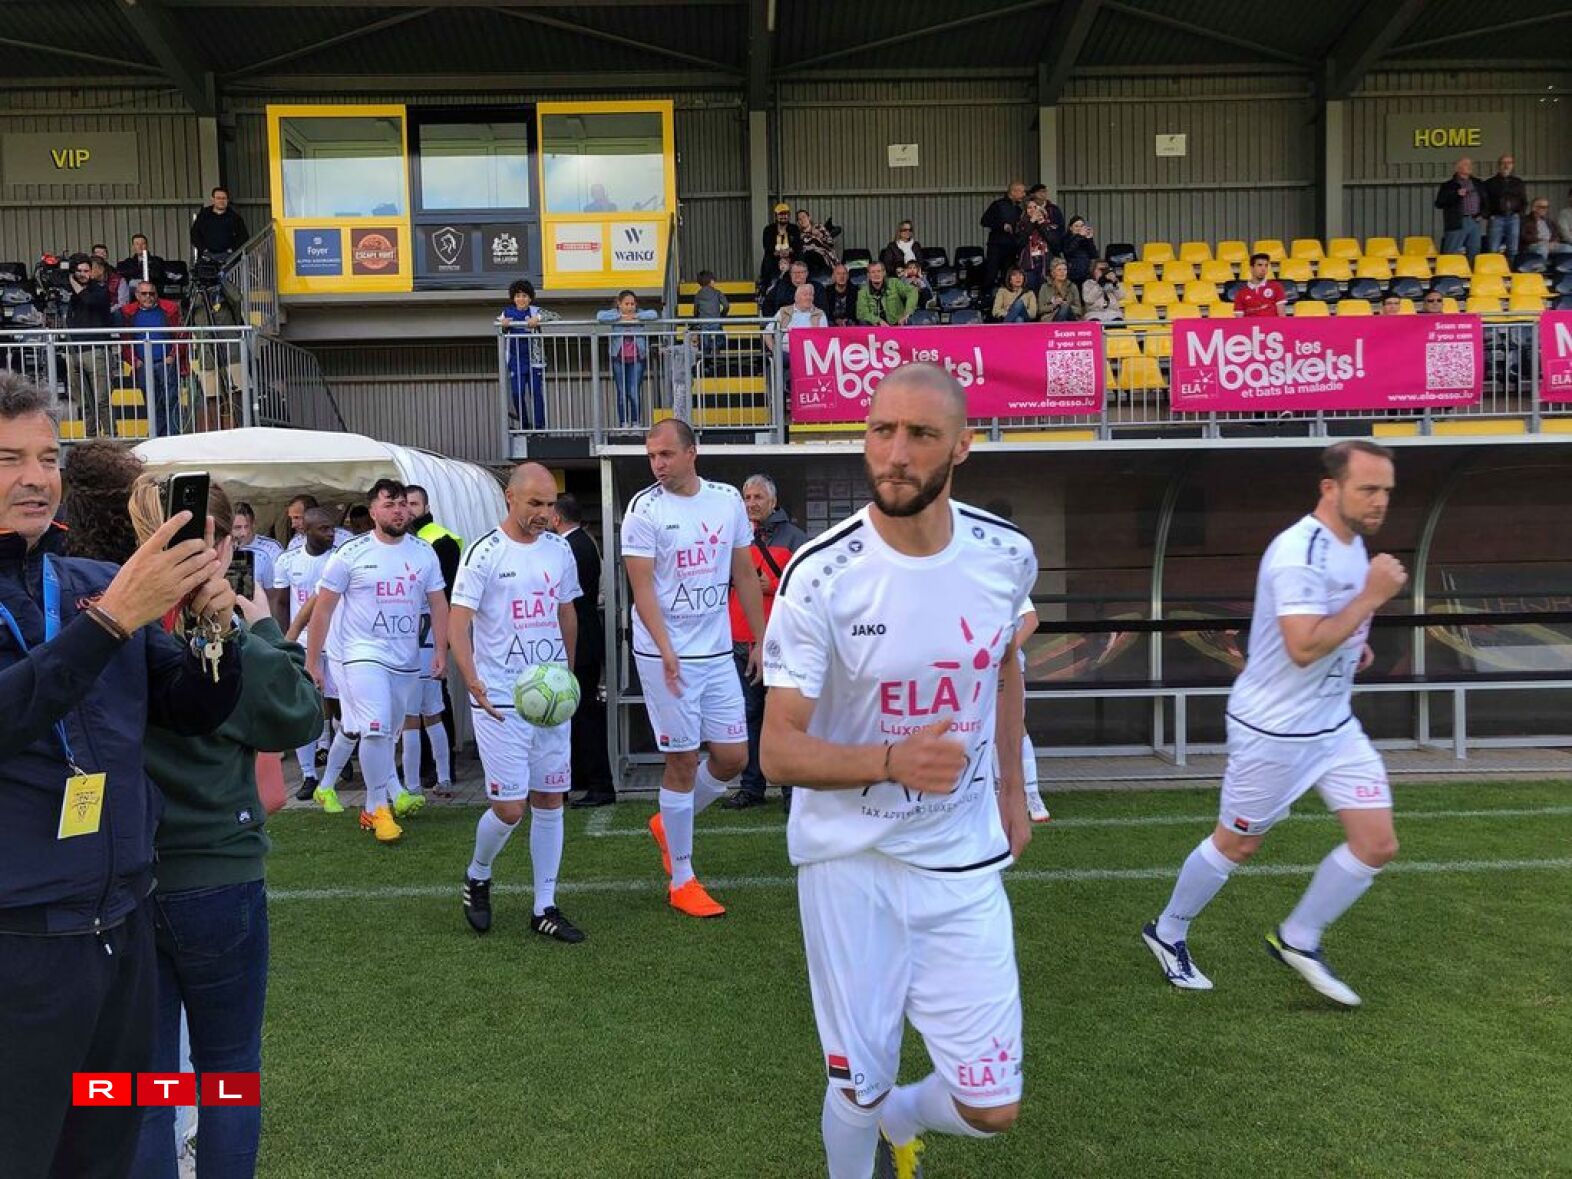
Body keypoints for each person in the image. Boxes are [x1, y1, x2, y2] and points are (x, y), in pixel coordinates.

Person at [759, 362, 1037, 1179]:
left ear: (962, 445)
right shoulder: (821, 573)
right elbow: (778, 749)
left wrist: (1015, 791)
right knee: (855, 1082)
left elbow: (1005, 666)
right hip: (851, 862)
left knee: (993, 1107)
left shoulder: (1004, 555)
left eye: (921, 434)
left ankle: (898, 1124)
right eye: (882, 431)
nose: (897, 453)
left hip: (960, 860)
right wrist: (890, 760)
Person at [0, 371, 242, 1179]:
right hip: (20, 948)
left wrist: (213, 626)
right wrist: (111, 621)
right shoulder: (107, 601)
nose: (35, 477)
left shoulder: (85, 582)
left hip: (121, 930)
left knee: (104, 1150)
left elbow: (191, 707)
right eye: (8, 458)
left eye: (47, 455)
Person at [1142, 440, 1406, 1008]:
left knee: (1377, 843)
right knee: (1238, 844)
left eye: (1386, 490)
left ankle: (1298, 938)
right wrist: (1372, 598)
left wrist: (1354, 644)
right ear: (1330, 489)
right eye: (1368, 489)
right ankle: (1167, 931)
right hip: (1274, 731)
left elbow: (1329, 632)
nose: (1380, 501)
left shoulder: (1355, 544)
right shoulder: (1298, 552)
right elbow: (1304, 645)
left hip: (1334, 727)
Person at [124, 475, 321, 1179]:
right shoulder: (221, 630)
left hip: (132, 879)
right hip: (218, 876)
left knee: (146, 1082)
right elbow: (299, 714)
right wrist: (264, 625)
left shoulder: (108, 623)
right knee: (229, 1070)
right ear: (210, 541)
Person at [620, 419, 766, 918]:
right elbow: (641, 591)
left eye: (665, 455)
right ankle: (682, 878)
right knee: (682, 759)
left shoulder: (726, 500)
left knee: (733, 758)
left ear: (691, 453)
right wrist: (665, 648)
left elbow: (744, 571)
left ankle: (667, 821)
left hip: (716, 650)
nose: (657, 465)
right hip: (666, 653)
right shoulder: (644, 509)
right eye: (651, 457)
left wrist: (762, 640)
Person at [452, 463, 587, 943]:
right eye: (535, 504)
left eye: (550, 505)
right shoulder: (484, 553)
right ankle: (479, 873)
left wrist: (567, 675)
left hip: (549, 699)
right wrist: (473, 681)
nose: (545, 514)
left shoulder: (559, 550)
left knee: (550, 799)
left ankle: (544, 906)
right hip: (501, 700)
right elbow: (457, 621)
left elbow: (566, 611)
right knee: (509, 808)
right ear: (510, 498)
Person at [305, 479, 447, 844]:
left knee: (388, 733)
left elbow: (438, 603)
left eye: (403, 504)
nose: (399, 510)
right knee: (376, 726)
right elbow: (322, 610)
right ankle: (377, 806)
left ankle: (379, 798)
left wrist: (442, 651)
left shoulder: (423, 552)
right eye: (390, 504)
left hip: (405, 659)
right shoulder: (350, 554)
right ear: (373, 512)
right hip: (360, 655)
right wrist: (313, 660)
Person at [721, 473, 806, 812]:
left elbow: (809, 589)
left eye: (758, 497)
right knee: (748, 718)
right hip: (739, 641)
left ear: (773, 501)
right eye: (747, 497)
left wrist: (773, 586)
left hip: (781, 644)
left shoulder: (796, 538)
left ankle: (791, 793)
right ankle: (752, 788)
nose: (751, 503)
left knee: (783, 719)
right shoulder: (734, 538)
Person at [982, 498, 1051, 825]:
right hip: (976, 672)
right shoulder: (973, 580)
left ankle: (1032, 795)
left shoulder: (1006, 577)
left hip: (1008, 669)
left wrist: (1004, 653)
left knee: (1014, 728)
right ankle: (999, 793)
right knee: (986, 731)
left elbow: (1031, 619)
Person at [273, 507, 341, 805]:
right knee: (306, 705)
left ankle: (340, 761)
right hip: (302, 643)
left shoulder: (340, 558)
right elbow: (280, 601)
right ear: (305, 532)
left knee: (341, 707)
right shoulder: (287, 561)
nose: (331, 533)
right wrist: (281, 638)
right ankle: (308, 774)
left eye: (332, 528)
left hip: (337, 642)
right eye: (324, 529)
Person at [555, 494, 616, 808]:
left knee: (584, 713)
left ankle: (598, 784)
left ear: (557, 517)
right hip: (585, 637)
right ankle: (582, 777)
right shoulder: (584, 542)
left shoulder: (571, 547)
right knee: (580, 712)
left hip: (580, 640)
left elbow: (568, 601)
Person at [404, 484, 461, 800]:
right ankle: (431, 775)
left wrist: (445, 640)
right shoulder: (412, 543)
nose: (407, 510)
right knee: (426, 712)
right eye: (403, 503)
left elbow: (446, 596)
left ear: (425, 506)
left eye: (413, 503)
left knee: (425, 712)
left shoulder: (436, 541)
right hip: (413, 637)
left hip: (424, 637)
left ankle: (433, 775)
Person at [116, 279, 184, 438]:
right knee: (151, 402)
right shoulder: (128, 313)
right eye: (144, 293)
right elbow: (125, 340)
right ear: (137, 295)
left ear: (156, 294)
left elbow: (181, 334)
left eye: (151, 293)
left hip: (165, 363)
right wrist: (134, 361)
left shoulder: (169, 309)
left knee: (171, 400)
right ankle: (157, 435)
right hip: (143, 364)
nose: (148, 297)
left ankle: (171, 436)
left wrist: (173, 355)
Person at [65, 253, 115, 431]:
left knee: (102, 400)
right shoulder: (69, 292)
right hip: (73, 351)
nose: (82, 274)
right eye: (78, 271)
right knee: (83, 401)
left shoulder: (100, 289)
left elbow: (90, 300)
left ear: (92, 272)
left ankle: (112, 438)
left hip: (96, 350)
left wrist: (74, 283)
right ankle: (90, 438)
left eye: (86, 270)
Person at [596, 290, 659, 428]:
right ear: (619, 304)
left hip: (637, 358)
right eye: (626, 304)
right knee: (621, 392)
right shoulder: (614, 314)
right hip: (618, 358)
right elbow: (600, 316)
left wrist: (636, 316)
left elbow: (654, 314)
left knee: (634, 391)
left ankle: (636, 422)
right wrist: (620, 317)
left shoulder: (640, 313)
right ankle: (623, 422)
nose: (630, 307)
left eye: (632, 304)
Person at [498, 279, 548, 430]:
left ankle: (540, 427)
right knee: (516, 393)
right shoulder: (507, 312)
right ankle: (525, 424)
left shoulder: (535, 311)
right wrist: (504, 326)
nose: (521, 299)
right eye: (518, 295)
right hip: (516, 360)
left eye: (525, 296)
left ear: (530, 298)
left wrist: (538, 319)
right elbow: (499, 327)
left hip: (535, 360)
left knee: (536, 393)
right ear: (513, 298)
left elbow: (555, 317)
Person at [1434, 158, 1485, 262]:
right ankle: (1449, 276)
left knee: (1474, 251)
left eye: (1470, 164)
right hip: (1457, 221)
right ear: (1457, 168)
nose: (1469, 166)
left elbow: (1485, 199)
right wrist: (1456, 195)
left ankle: (1471, 275)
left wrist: (1483, 214)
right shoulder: (1448, 185)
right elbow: (1439, 203)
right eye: (1466, 164)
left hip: (1475, 221)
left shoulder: (1478, 183)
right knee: (1451, 251)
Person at [980, 180, 1026, 292]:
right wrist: (1002, 226)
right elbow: (984, 221)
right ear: (1013, 192)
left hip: (1011, 248)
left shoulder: (1019, 210)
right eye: (1022, 191)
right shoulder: (998, 205)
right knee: (991, 274)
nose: (1024, 194)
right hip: (997, 246)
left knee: (1008, 276)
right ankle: (985, 298)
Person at [232, 501, 283, 600]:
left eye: (247, 526)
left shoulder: (272, 549)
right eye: (238, 528)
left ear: (254, 523)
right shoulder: (222, 547)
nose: (244, 533)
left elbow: (277, 593)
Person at [1482, 154, 1527, 259]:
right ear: (1499, 165)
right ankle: (1494, 273)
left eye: (1509, 163)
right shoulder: (1489, 183)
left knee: (1513, 249)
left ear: (1512, 166)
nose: (1506, 165)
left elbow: (1524, 201)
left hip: (1513, 218)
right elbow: (1484, 201)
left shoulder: (1518, 182)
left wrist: (1519, 215)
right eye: (1503, 163)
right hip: (1496, 218)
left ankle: (1511, 273)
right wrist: (1489, 215)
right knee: (1493, 249)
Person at [190, 186, 250, 258]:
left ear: (227, 200)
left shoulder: (235, 217)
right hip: (206, 258)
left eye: (224, 198)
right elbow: (194, 234)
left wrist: (232, 250)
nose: (221, 201)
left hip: (229, 258)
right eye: (218, 198)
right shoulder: (203, 215)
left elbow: (244, 236)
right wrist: (204, 250)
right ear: (213, 199)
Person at [855, 261, 919, 327]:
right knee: (863, 321)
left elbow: (912, 291)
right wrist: (877, 321)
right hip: (876, 327)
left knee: (908, 320)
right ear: (868, 275)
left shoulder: (894, 283)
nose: (876, 274)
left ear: (884, 273)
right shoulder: (863, 292)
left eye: (879, 271)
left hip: (897, 324)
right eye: (873, 272)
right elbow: (862, 313)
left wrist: (907, 313)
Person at [116, 233, 168, 310]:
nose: (140, 246)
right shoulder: (127, 262)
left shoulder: (157, 260)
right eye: (137, 244)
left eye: (142, 244)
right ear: (133, 247)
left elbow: (157, 275)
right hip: (133, 295)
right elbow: (123, 275)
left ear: (146, 246)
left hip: (152, 293)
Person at [285, 493, 352, 551]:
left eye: (297, 517)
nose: (293, 525)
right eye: (291, 518)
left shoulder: (344, 539)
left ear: (314, 514)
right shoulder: (294, 543)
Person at [760, 202, 803, 290]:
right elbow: (767, 247)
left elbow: (798, 246)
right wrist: (780, 254)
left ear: (788, 215)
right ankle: (764, 290)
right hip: (774, 259)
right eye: (781, 214)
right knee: (767, 260)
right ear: (776, 216)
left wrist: (788, 253)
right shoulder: (768, 229)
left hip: (791, 258)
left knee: (801, 258)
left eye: (785, 214)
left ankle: (801, 285)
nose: (783, 216)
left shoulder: (794, 228)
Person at [692, 270, 730, 366]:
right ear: (710, 281)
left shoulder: (698, 295)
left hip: (703, 325)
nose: (714, 282)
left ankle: (706, 366)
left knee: (705, 346)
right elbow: (726, 306)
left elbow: (695, 310)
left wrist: (697, 318)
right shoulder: (717, 293)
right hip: (716, 323)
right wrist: (722, 315)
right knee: (721, 339)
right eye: (713, 280)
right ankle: (716, 347)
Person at [1233, 252, 1286, 317]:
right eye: (1260, 265)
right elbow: (1239, 320)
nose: (1263, 269)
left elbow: (1282, 315)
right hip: (1251, 326)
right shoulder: (1241, 293)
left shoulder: (1276, 286)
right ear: (1251, 268)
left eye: (1266, 265)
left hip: (1272, 326)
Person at [797, 209, 841, 279]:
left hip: (824, 258)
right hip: (810, 261)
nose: (802, 220)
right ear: (798, 222)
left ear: (809, 218)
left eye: (804, 217)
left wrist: (821, 235)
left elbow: (830, 243)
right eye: (799, 219)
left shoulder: (819, 227)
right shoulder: (799, 235)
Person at [1081, 259, 1127, 324]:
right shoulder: (1088, 284)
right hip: (1094, 313)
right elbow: (1088, 299)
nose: (1104, 272)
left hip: (1112, 312)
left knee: (1118, 324)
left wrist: (1115, 284)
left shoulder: (1113, 282)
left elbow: (1121, 296)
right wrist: (1100, 284)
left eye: (1106, 269)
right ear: (1093, 271)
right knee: (1094, 324)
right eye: (1101, 269)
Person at [1521, 196, 1566, 260]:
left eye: (1547, 207)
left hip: (1550, 244)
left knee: (1568, 248)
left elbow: (1556, 234)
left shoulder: (1549, 221)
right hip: (1534, 245)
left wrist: (1554, 242)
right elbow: (1524, 236)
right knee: (1542, 249)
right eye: (1543, 207)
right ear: (1534, 208)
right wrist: (1541, 241)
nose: (1546, 209)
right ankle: (1541, 268)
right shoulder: (1525, 220)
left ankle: (1565, 268)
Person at [1038, 258, 1083, 322]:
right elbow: (1040, 309)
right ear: (1053, 272)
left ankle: (1057, 330)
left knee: (1065, 307)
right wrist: (1054, 305)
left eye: (1065, 269)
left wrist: (1067, 305)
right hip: (1051, 318)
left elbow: (1079, 310)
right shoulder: (1044, 287)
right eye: (1059, 270)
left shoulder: (1073, 286)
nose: (1063, 272)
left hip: (1071, 317)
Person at [1061, 216, 1100, 284]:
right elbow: (1068, 251)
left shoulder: (1085, 239)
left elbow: (1094, 255)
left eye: (1082, 226)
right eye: (1076, 226)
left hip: (1086, 275)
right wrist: (1079, 236)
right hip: (1073, 275)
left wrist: (1090, 239)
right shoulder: (1066, 238)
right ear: (1070, 228)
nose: (1079, 228)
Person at [824, 262, 859, 327]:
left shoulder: (855, 290)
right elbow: (825, 311)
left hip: (850, 321)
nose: (841, 276)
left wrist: (847, 319)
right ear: (833, 276)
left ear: (848, 276)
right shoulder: (827, 291)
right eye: (838, 274)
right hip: (832, 321)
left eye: (844, 274)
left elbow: (857, 311)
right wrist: (836, 320)